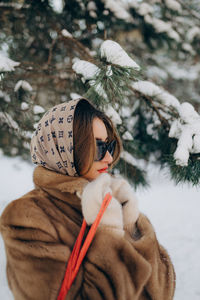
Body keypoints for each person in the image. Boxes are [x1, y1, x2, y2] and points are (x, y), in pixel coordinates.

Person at [0, 98, 175, 300]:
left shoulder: (113, 202)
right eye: (98, 148)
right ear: (63, 149)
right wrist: (108, 232)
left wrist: (130, 227)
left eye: (109, 147)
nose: (109, 158)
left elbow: (163, 293)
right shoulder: (26, 217)